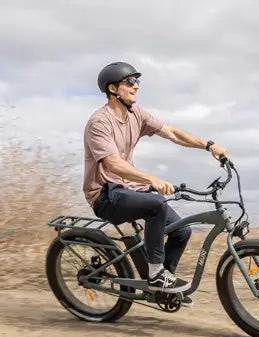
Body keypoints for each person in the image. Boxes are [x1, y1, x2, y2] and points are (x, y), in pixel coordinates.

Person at [83, 62, 227, 307]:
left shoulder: (136, 114)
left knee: (182, 231)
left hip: (128, 189)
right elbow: (112, 164)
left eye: (137, 82)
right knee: (157, 205)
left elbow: (172, 133)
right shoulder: (99, 122)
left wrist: (209, 146)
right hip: (105, 194)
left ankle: (161, 284)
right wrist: (152, 179)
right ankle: (156, 273)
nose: (136, 86)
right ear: (113, 88)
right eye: (130, 82)